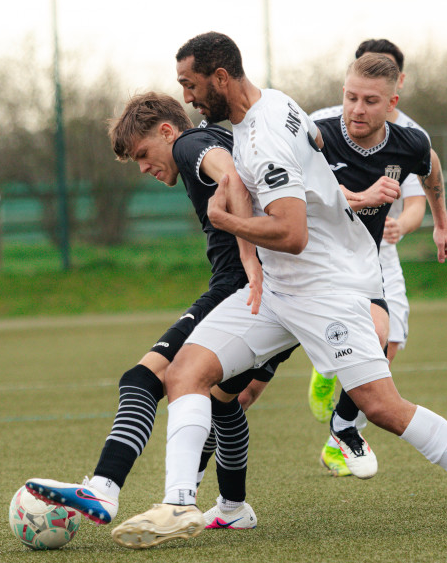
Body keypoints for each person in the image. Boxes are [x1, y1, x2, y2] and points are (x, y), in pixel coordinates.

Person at [110, 32, 447, 549]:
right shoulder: (276, 106)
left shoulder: (265, 134)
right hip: (277, 291)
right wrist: (250, 257)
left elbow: (292, 233)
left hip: (326, 288)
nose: (189, 98)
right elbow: (287, 178)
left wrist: (226, 222)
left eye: (191, 85)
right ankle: (178, 504)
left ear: (220, 78)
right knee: (186, 373)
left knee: (381, 407)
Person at [25, 92, 290, 531]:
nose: (144, 168)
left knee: (143, 378)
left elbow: (233, 179)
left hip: (240, 290)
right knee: (224, 401)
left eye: (144, 154)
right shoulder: (219, 138)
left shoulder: (189, 145)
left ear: (167, 131)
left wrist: (246, 257)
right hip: (279, 293)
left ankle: (105, 487)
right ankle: (232, 508)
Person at [307, 39, 433, 477]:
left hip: (380, 252)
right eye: (353, 95)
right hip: (319, 255)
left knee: (388, 340)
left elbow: (422, 188)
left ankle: (340, 433)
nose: (359, 107)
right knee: (244, 382)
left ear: (396, 89)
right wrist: (360, 198)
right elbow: (306, 191)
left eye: (373, 98)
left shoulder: (409, 136)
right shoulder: (322, 126)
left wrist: (418, 224)